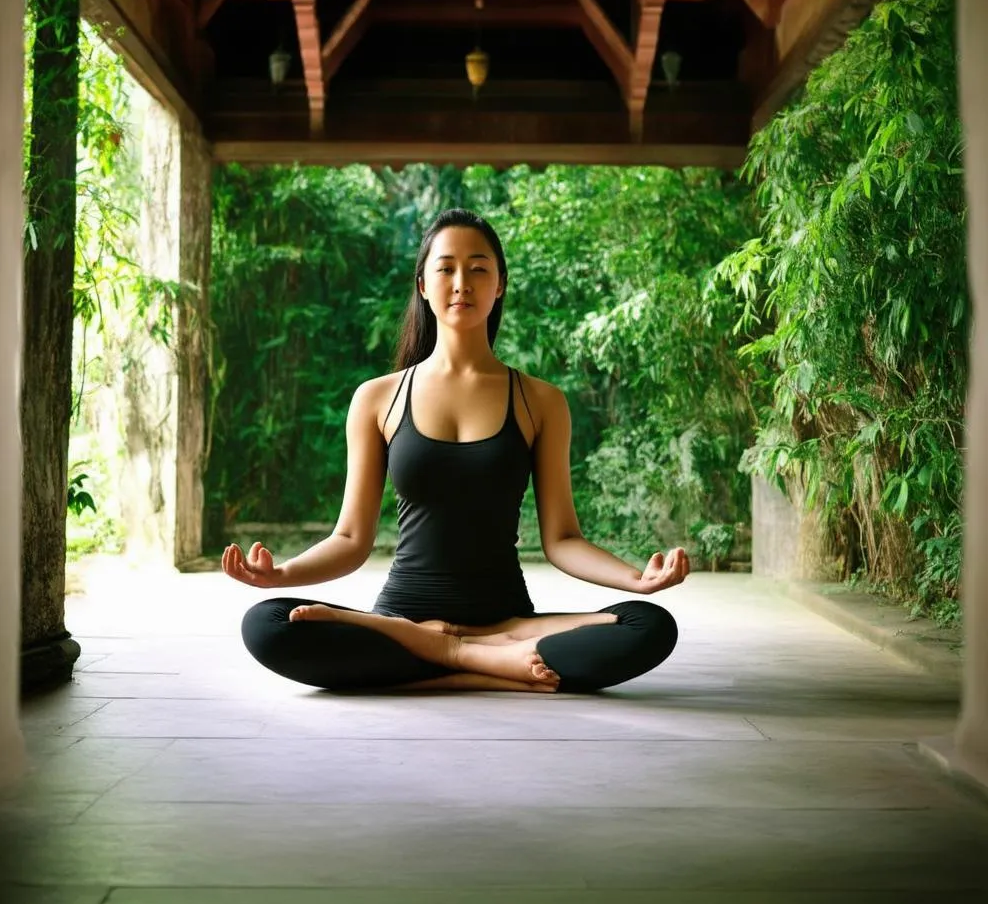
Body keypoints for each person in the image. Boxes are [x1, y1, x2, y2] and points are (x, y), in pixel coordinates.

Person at [226, 208, 689, 693]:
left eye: (478, 268)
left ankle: (446, 657)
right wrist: (283, 574)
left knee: (648, 623)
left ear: (500, 284)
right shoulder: (377, 398)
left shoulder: (542, 401)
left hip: (506, 625)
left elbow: (563, 540)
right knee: (268, 623)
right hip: (402, 619)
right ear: (423, 284)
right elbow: (349, 540)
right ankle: (481, 664)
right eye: (446, 267)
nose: (461, 282)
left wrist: (635, 580)